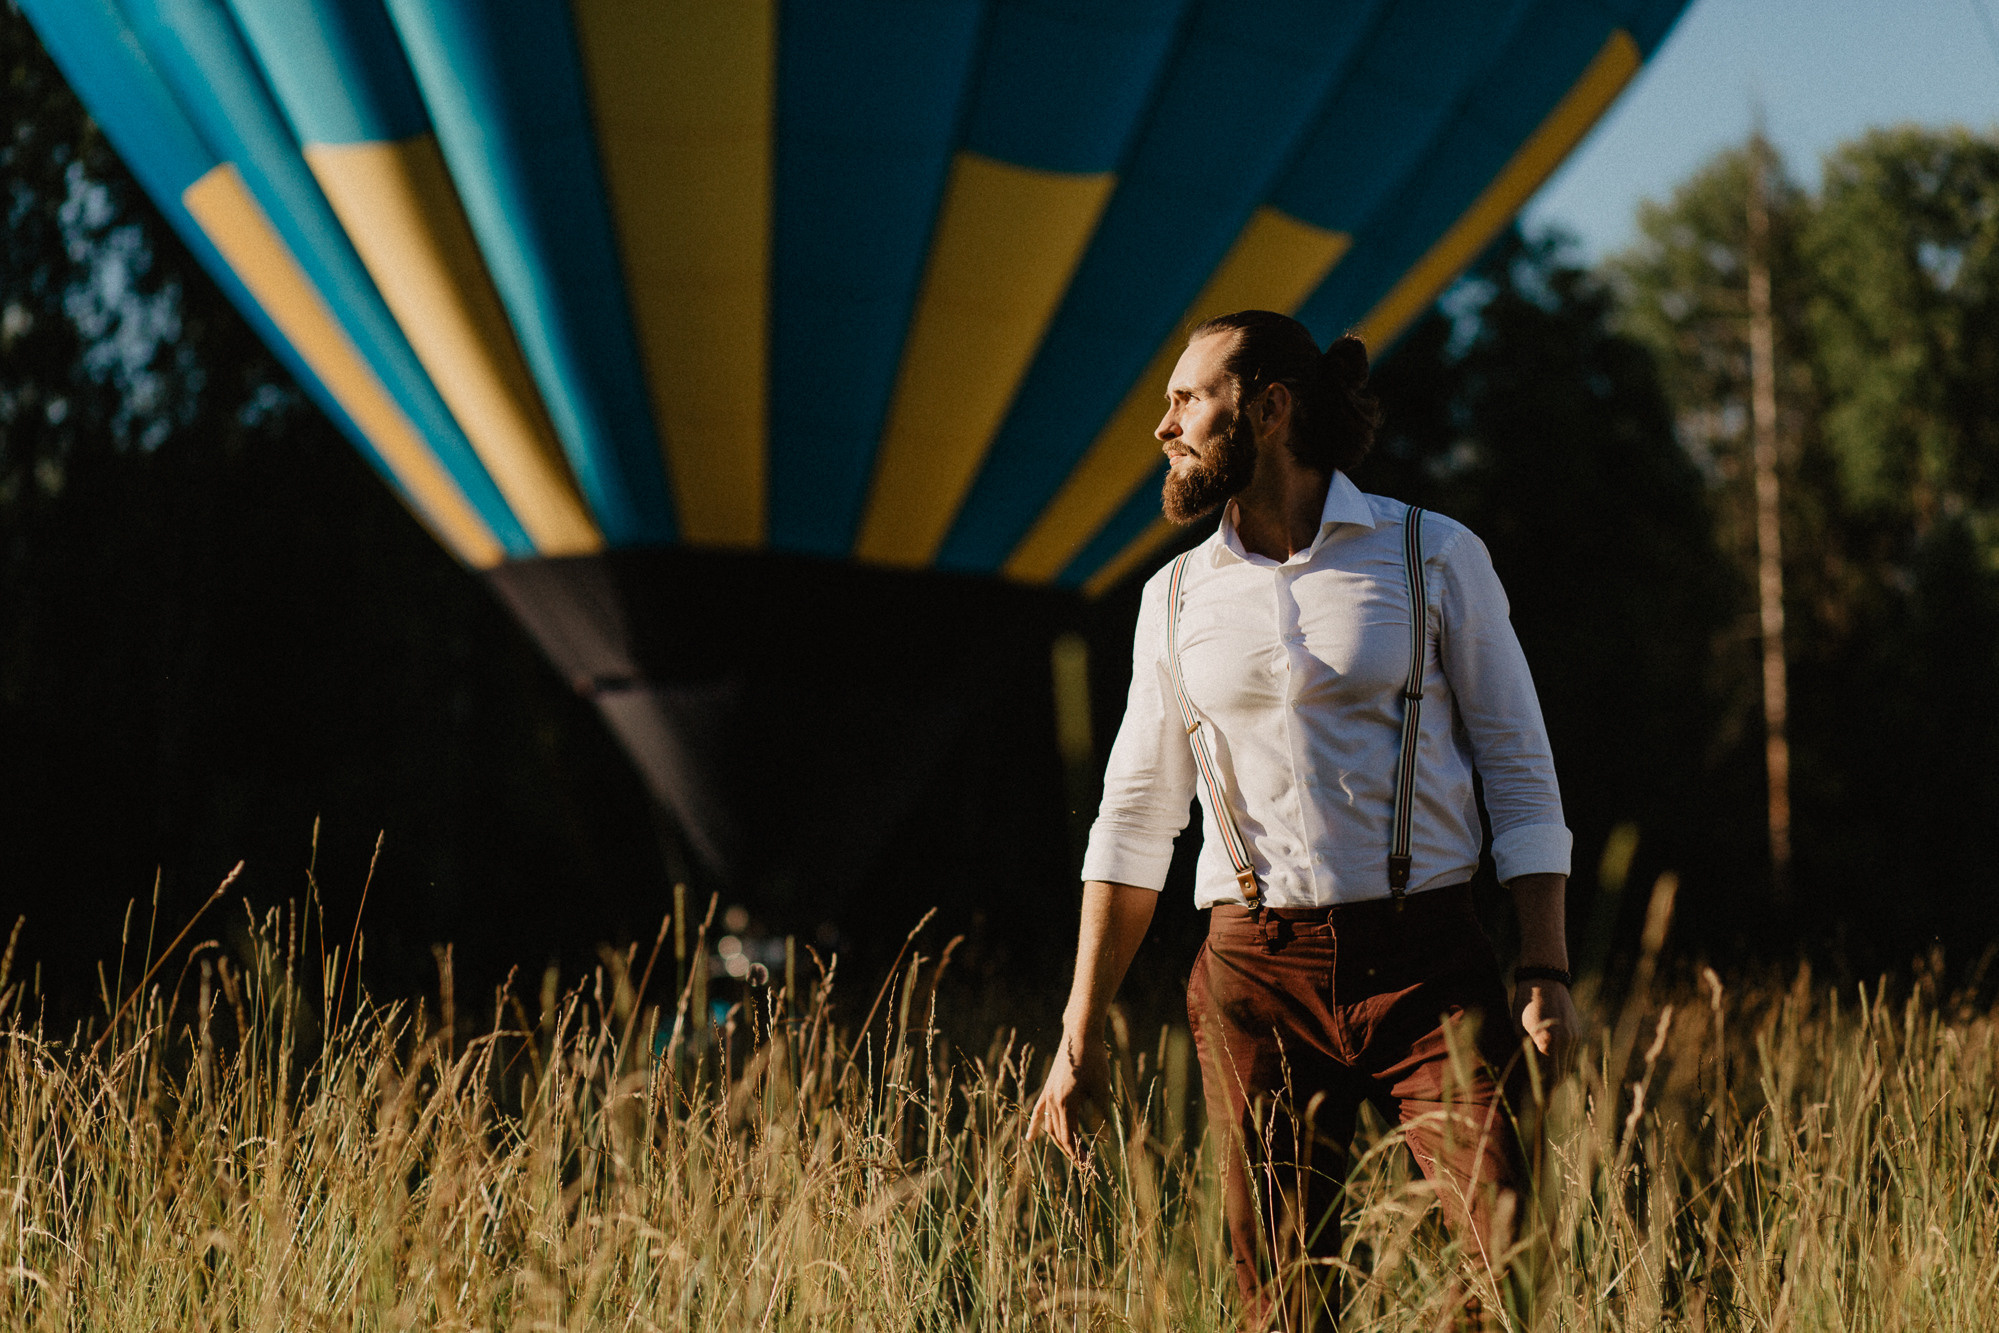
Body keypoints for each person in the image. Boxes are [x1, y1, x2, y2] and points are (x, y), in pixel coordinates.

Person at [1026, 310, 1580, 1330]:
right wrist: (1078, 1030)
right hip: (1253, 977)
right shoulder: (1174, 596)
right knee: (1281, 1302)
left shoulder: (1433, 556)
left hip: (1430, 968)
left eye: (1188, 398)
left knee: (1509, 1266)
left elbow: (1519, 766)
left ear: (1269, 408)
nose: (1164, 425)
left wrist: (1541, 969)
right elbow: (1135, 819)